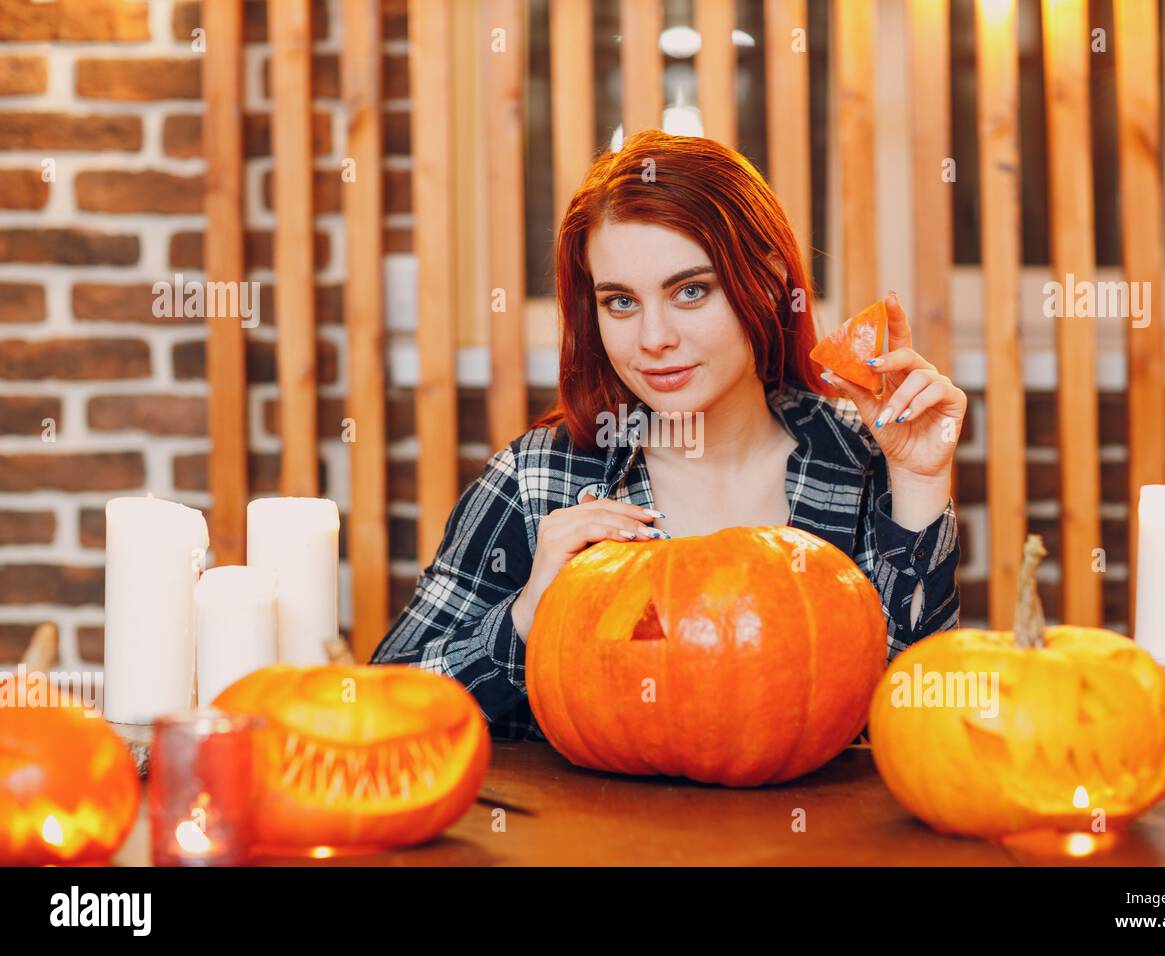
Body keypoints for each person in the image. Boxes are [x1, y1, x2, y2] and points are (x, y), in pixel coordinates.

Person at [372, 130, 967, 740]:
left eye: (690, 291)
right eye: (621, 302)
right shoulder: (538, 480)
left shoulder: (863, 457)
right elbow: (382, 713)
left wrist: (919, 484)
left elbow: (923, 720)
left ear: (764, 283)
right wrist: (525, 616)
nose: (654, 337)